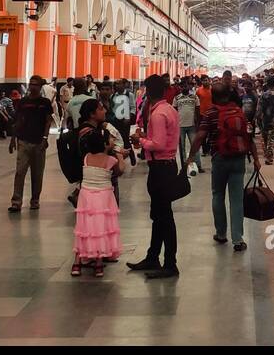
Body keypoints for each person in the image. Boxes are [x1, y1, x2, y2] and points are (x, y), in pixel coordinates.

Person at [186, 86, 259, 253]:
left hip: (220, 159)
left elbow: (200, 136)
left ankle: (221, 234)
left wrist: (191, 156)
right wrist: (255, 159)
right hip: (239, 160)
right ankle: (238, 239)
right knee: (236, 199)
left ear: (214, 96)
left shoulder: (211, 113)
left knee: (218, 195)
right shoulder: (238, 111)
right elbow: (249, 137)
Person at [128, 74, 181, 279]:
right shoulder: (169, 109)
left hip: (160, 169)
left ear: (148, 92)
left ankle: (170, 263)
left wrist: (141, 140)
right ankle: (153, 256)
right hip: (166, 167)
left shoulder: (158, 114)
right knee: (159, 216)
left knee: (164, 217)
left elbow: (157, 144)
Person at [71, 127, 125, 278]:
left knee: (84, 228)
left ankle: (77, 262)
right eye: (111, 139)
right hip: (103, 197)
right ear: (105, 144)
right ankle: (99, 263)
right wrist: (120, 156)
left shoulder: (86, 157)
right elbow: (120, 170)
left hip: (86, 196)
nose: (113, 140)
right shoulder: (110, 160)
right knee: (100, 228)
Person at [9, 75, 54, 213]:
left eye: (36, 84)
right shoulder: (23, 102)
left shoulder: (45, 103)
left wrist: (45, 139)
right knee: (20, 172)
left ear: (40, 87)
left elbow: (48, 121)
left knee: (37, 173)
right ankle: (16, 201)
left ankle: (35, 200)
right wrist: (13, 139)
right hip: (23, 141)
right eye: (31, 84)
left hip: (39, 142)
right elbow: (19, 121)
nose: (33, 86)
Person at [173, 80, 201, 175]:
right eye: (183, 86)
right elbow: (174, 112)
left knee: (195, 145)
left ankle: (198, 165)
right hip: (180, 126)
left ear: (189, 87)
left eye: (186, 86)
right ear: (180, 87)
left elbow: (197, 111)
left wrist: (198, 124)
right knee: (182, 147)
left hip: (192, 126)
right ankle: (184, 165)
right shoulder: (176, 98)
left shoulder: (194, 97)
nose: (184, 88)